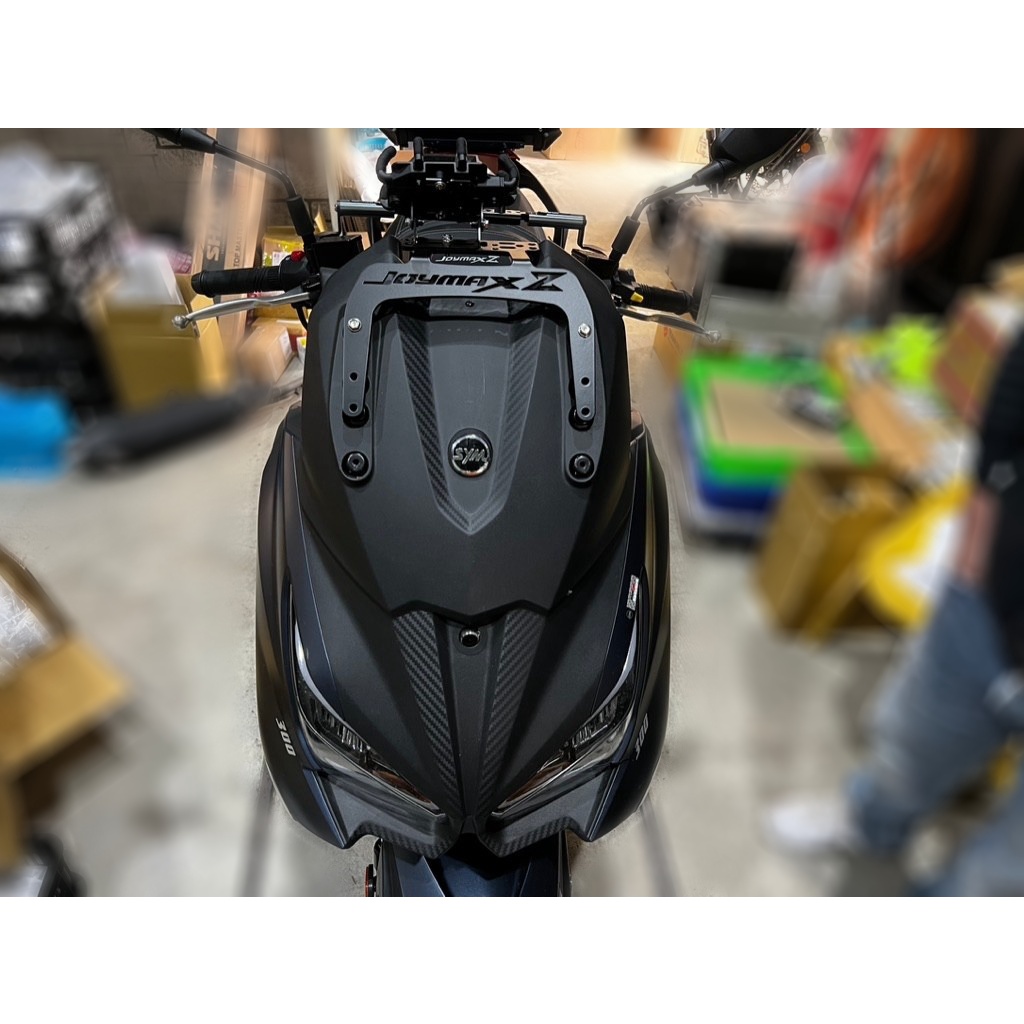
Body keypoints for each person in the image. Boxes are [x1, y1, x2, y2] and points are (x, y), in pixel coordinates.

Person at [765, 331, 1024, 895]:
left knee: (1002, 876)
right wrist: (976, 540)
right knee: (907, 752)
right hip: (990, 604)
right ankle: (868, 825)